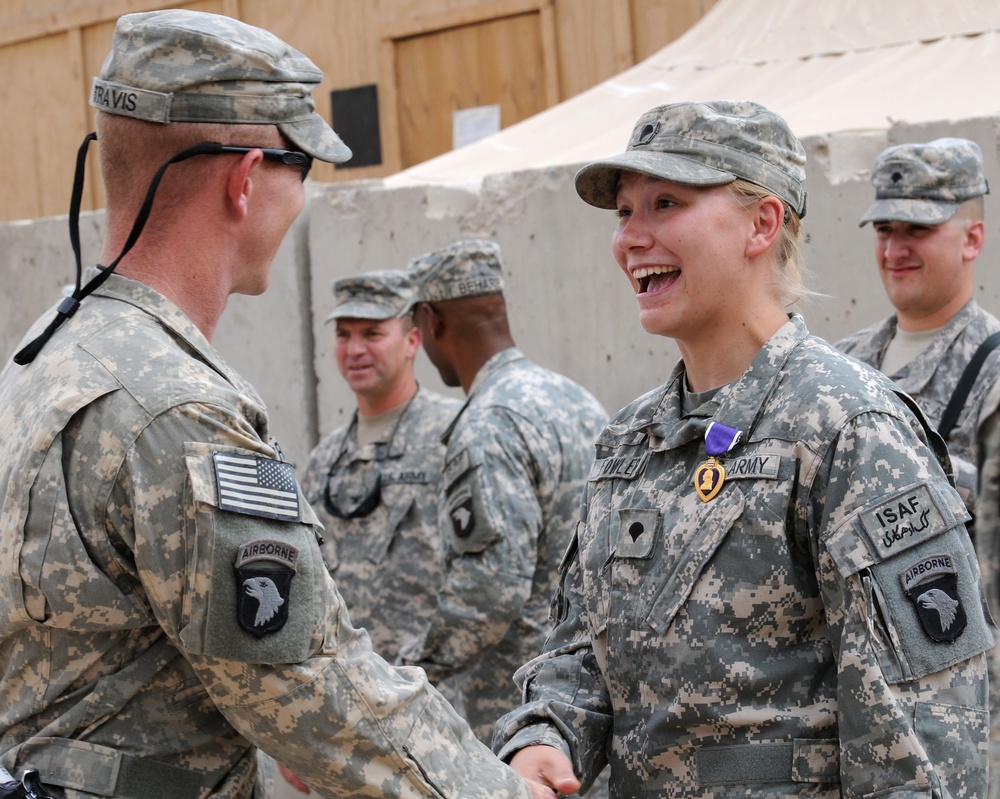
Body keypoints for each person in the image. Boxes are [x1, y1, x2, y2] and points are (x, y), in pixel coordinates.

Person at [0, 10, 541, 799]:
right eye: (304, 170)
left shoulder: (48, 350)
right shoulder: (176, 406)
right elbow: (308, 689)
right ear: (246, 178)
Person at [492, 100, 994, 798]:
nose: (631, 237)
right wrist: (545, 734)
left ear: (763, 223)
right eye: (624, 212)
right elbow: (580, 648)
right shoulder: (630, 442)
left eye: (665, 202)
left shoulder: (850, 429)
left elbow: (926, 747)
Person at [398, 239, 608, 747]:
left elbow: (488, 592)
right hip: (586, 704)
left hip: (521, 715)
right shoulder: (574, 398)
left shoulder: (487, 424)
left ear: (430, 320)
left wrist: (406, 671)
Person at [300, 269, 462, 665]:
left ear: (411, 342)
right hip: (350, 692)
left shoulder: (456, 434)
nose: (354, 349)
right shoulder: (325, 458)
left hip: (435, 691)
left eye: (372, 334)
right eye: (343, 335)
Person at [836, 138, 997, 528]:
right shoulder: (842, 363)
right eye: (884, 229)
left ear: (972, 239)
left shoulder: (992, 370)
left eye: (917, 230)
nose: (893, 251)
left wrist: (911, 456)